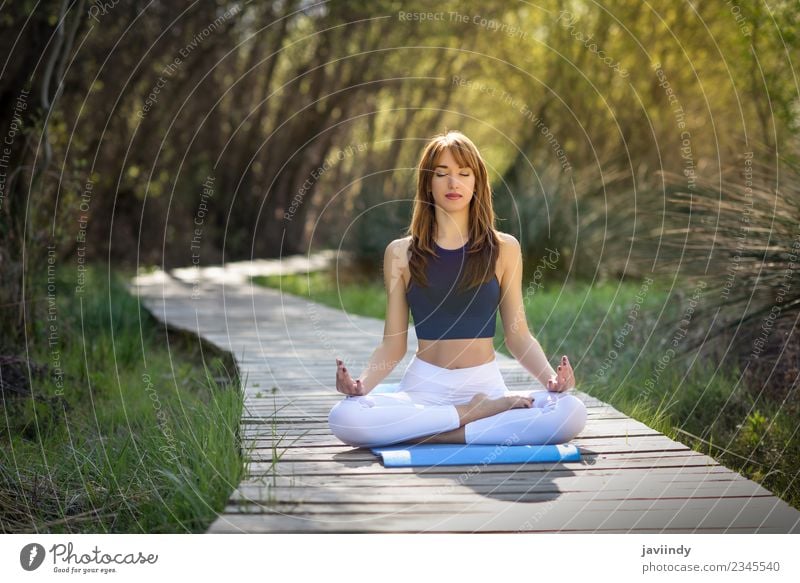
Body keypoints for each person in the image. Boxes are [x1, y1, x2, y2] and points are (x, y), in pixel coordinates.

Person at [328, 130, 587, 448]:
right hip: (424, 388)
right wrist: (360, 385)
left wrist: (551, 380)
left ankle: (435, 431)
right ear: (428, 183)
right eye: (442, 174)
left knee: (571, 412)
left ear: (477, 182)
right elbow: (392, 346)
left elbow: (517, 336)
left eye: (464, 174)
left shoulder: (504, 248)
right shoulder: (400, 253)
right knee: (344, 418)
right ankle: (469, 415)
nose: (454, 183)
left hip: (485, 384)